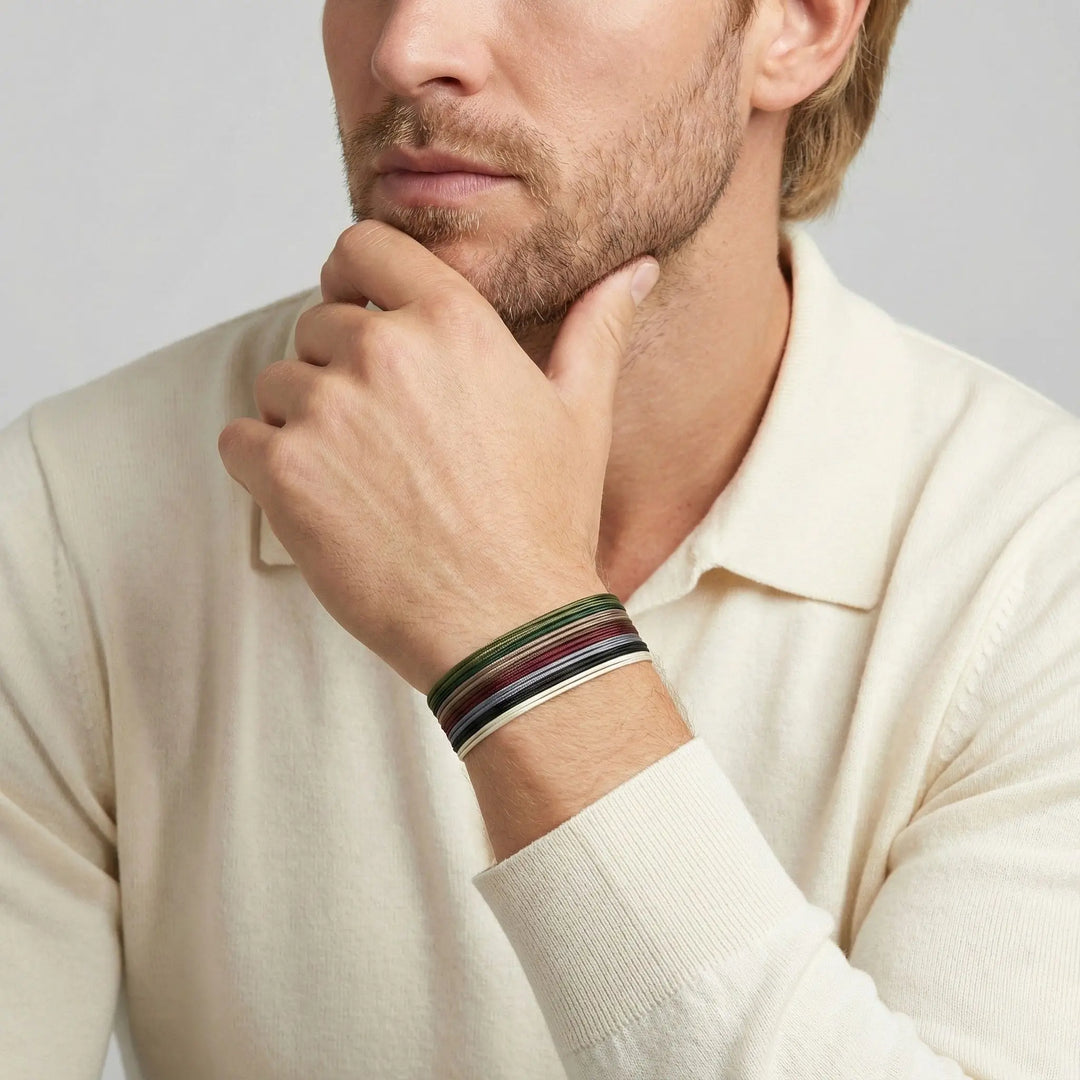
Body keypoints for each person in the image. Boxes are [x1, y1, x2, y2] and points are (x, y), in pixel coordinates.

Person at [2, 0, 1077, 1076]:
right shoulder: (73, 513)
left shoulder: (1036, 568)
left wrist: (521, 633)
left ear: (800, 23)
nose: (404, 49)